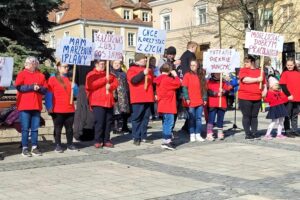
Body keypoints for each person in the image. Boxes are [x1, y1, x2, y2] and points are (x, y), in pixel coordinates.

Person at [15, 56, 47, 157]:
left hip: (36, 106)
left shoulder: (41, 75)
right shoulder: (22, 74)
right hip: (24, 106)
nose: (33, 64)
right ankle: (24, 148)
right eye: (31, 62)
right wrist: (32, 87)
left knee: (35, 128)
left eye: (34, 62)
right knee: (25, 129)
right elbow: (19, 87)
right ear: (26, 64)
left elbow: (45, 89)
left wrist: (39, 88)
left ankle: (34, 147)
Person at [45, 62, 78, 153]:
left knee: (69, 128)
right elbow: (48, 94)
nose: (67, 68)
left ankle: (70, 144)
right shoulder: (52, 79)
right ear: (59, 68)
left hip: (69, 108)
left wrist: (74, 87)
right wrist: (49, 106)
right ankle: (58, 145)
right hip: (57, 108)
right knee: (58, 128)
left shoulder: (70, 79)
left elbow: (77, 94)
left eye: (68, 67)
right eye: (65, 67)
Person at [86, 60, 118, 148]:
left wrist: (110, 86)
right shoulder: (91, 74)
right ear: (96, 64)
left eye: (104, 64)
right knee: (99, 122)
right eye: (101, 64)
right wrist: (105, 80)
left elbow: (115, 82)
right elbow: (90, 85)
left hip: (108, 101)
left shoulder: (108, 73)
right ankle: (97, 140)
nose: (103, 66)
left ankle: (106, 139)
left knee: (108, 122)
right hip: (97, 101)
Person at [127, 53, 155, 146]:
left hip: (148, 97)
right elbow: (134, 80)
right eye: (144, 59)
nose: (146, 60)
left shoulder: (149, 69)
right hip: (138, 98)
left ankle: (143, 136)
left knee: (145, 118)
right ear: (138, 60)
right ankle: (136, 137)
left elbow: (153, 82)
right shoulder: (131, 69)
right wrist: (143, 73)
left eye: (146, 59)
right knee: (137, 118)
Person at [238, 55, 267, 140]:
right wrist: (258, 79)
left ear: (253, 62)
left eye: (247, 62)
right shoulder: (243, 70)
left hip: (257, 97)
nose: (245, 63)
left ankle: (254, 132)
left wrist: (265, 90)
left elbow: (264, 83)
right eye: (245, 62)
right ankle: (247, 133)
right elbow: (245, 80)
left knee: (254, 116)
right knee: (247, 115)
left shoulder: (260, 71)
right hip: (245, 97)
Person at [154, 63, 181, 150]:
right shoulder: (167, 79)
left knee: (166, 123)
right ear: (169, 71)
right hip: (168, 104)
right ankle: (167, 141)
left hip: (163, 103)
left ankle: (166, 140)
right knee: (169, 123)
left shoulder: (159, 79)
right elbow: (177, 84)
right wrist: (176, 75)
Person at [182, 59, 206, 142]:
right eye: (191, 65)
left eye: (194, 65)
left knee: (198, 118)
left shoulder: (201, 75)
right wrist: (187, 98)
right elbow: (184, 87)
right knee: (191, 118)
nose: (192, 67)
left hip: (199, 100)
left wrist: (204, 98)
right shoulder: (187, 75)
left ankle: (198, 134)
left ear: (197, 66)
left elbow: (204, 88)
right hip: (191, 100)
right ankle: (192, 134)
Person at [206, 73, 231, 141]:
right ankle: (209, 133)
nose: (218, 74)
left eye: (219, 73)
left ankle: (220, 132)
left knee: (220, 118)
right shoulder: (209, 81)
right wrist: (216, 93)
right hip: (212, 103)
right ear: (213, 74)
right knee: (211, 118)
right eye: (216, 73)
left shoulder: (223, 81)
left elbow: (229, 90)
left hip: (222, 103)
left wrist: (224, 91)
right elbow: (207, 91)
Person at [279, 58, 300, 137]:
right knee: (287, 115)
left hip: (297, 97)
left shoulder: (298, 73)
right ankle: (287, 130)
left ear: (294, 65)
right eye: (288, 65)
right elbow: (283, 85)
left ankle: (295, 130)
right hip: (288, 98)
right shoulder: (285, 73)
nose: (289, 66)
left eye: (291, 65)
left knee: (295, 115)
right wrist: (288, 95)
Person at [110, 60, 131, 134]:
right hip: (115, 94)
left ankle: (124, 127)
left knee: (125, 112)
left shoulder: (124, 73)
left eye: (118, 63)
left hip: (124, 94)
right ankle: (115, 128)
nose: (117, 65)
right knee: (116, 111)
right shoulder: (110, 73)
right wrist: (113, 94)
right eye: (115, 63)